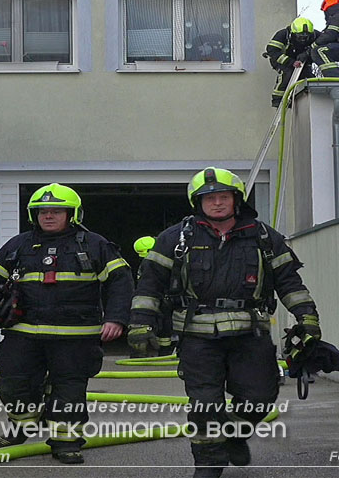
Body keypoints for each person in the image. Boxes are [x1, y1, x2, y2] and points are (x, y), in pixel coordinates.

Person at [128, 167, 321, 478]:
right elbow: (149, 285)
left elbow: (289, 282)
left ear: (236, 200)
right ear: (197, 203)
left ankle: (235, 433)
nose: (216, 203)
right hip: (197, 336)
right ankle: (208, 465)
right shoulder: (176, 238)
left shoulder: (264, 237)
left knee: (260, 397)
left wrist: (307, 319)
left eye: (223, 197)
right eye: (209, 198)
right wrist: (140, 325)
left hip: (250, 334)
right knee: (205, 404)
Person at [0, 183, 133, 465]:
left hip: (76, 336)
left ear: (72, 214)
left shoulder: (95, 245)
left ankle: (66, 442)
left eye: (56, 211)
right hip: (23, 333)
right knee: (12, 383)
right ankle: (23, 423)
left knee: (69, 390)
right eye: (43, 211)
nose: (48, 215)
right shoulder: (17, 246)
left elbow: (121, 283)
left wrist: (116, 318)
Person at [130, 236, 174, 357]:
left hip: (159, 300)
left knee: (163, 326)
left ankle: (162, 351)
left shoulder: (147, 264)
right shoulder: (152, 263)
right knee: (164, 326)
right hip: (160, 300)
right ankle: (164, 351)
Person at [264, 16, 319, 107]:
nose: (303, 40)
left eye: (306, 37)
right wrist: (291, 62)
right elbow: (272, 51)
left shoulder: (315, 35)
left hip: (302, 60)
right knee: (287, 74)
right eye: (300, 37)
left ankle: (302, 99)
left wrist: (307, 54)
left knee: (308, 77)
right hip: (282, 59)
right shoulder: (283, 35)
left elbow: (323, 43)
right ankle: (278, 100)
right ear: (293, 32)